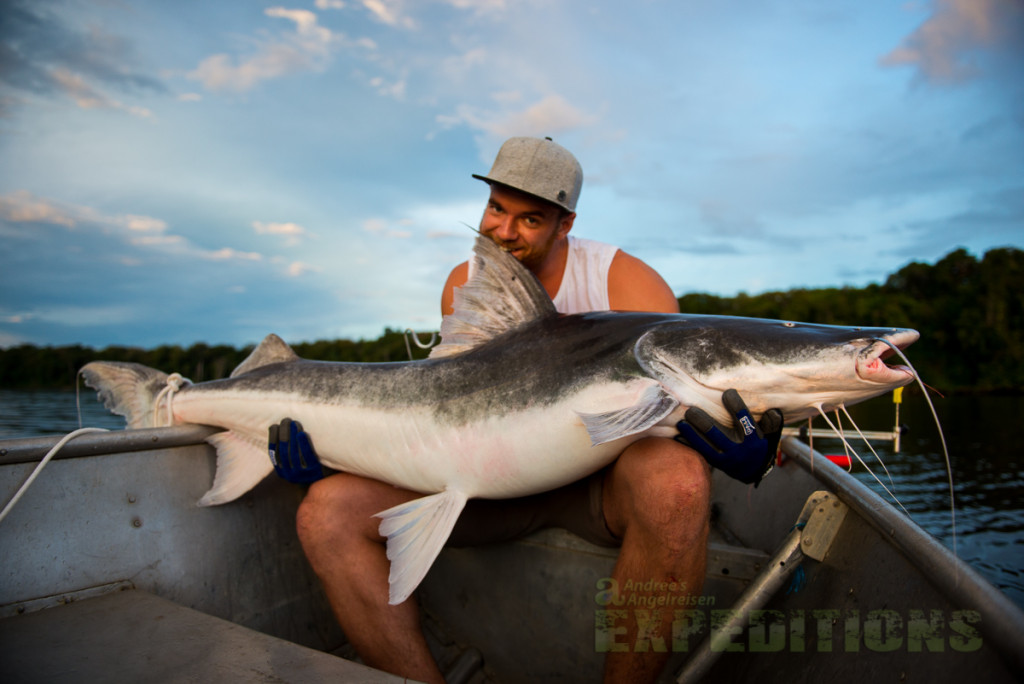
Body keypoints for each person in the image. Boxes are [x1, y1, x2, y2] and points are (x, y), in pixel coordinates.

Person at [274, 137, 781, 684]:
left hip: (597, 480)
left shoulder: (626, 280)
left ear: (565, 223)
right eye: (496, 208)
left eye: (530, 219)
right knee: (325, 511)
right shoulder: (465, 285)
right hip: (488, 476)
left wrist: (748, 450)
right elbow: (450, 408)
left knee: (678, 480)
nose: (504, 232)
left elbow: (679, 396)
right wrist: (337, 453)